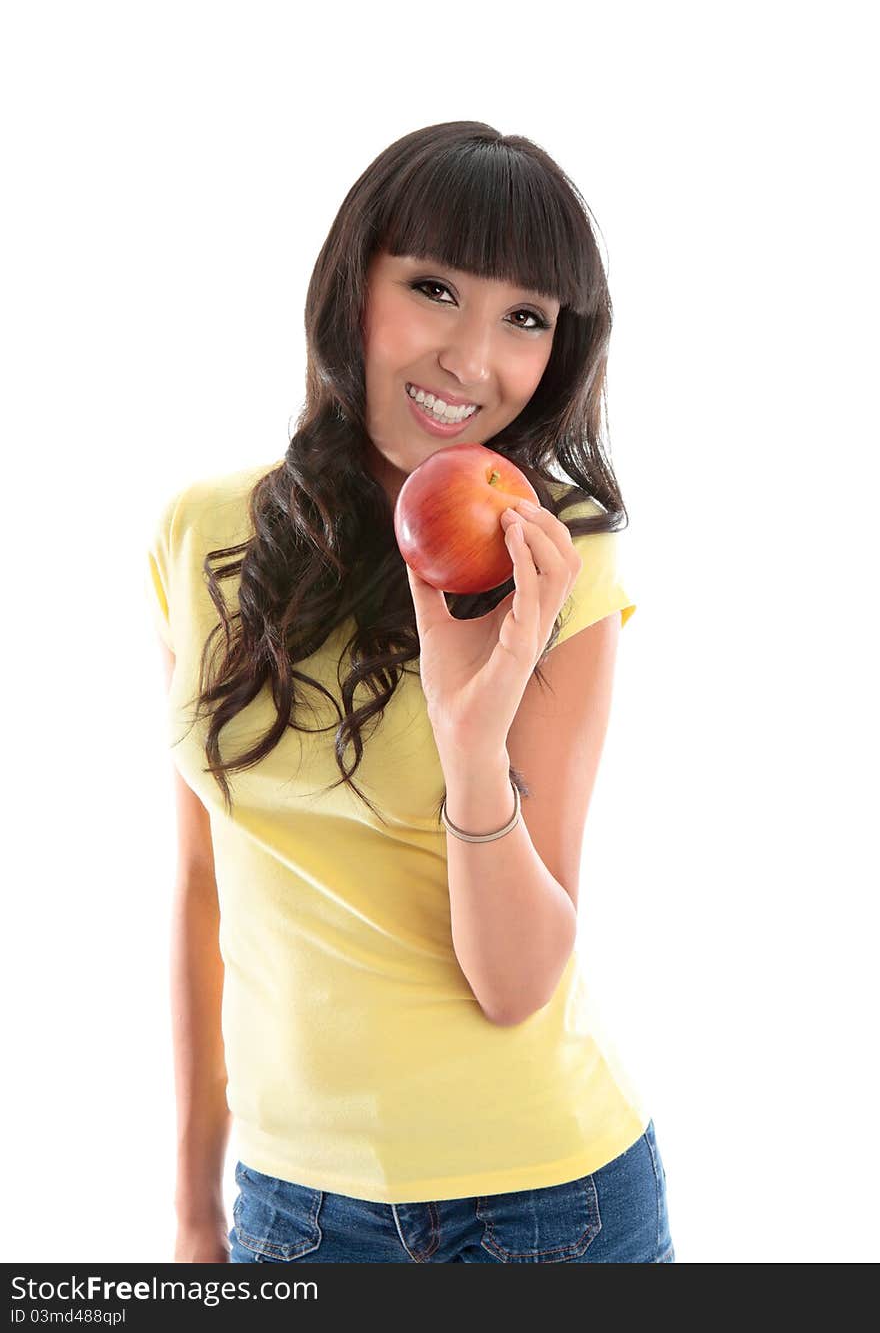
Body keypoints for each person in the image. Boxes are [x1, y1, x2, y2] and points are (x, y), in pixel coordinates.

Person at [147, 120, 675, 1264]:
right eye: (434, 288)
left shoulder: (556, 558)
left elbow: (516, 981)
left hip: (547, 1207)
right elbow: (202, 889)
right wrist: (194, 1210)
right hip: (291, 1210)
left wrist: (467, 736)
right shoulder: (203, 535)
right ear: (355, 284)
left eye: (525, 318)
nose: (471, 360)